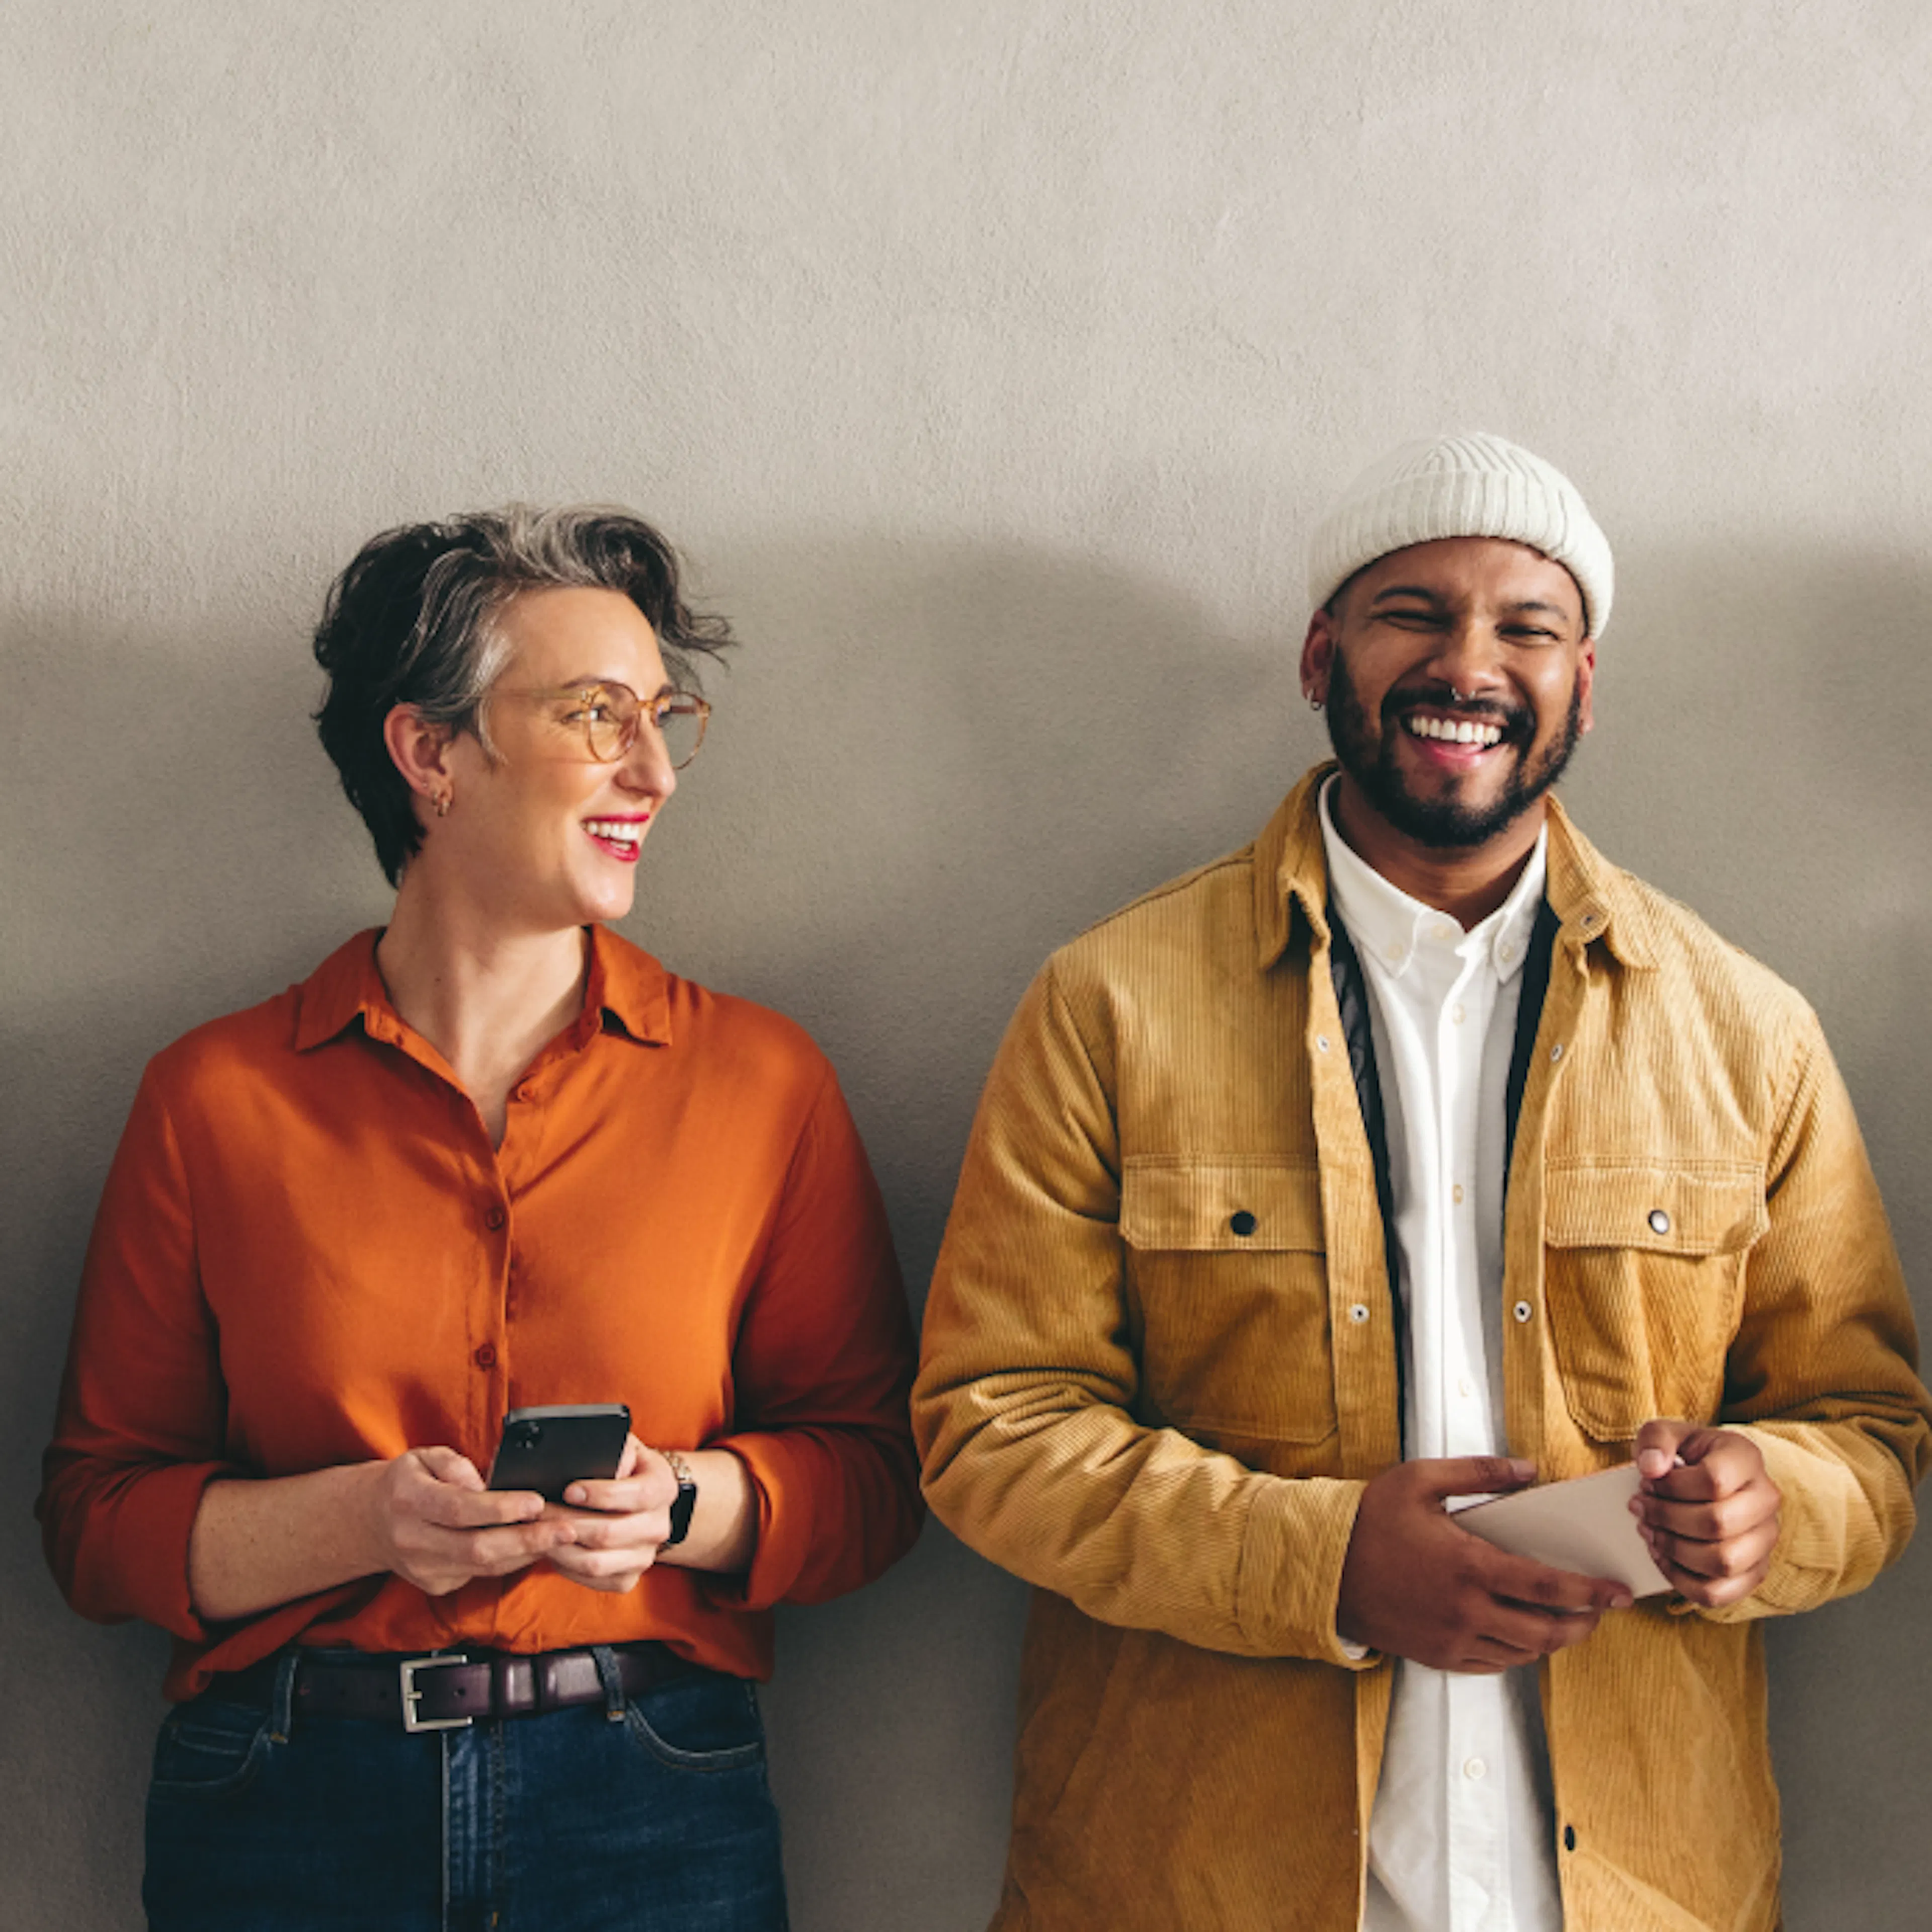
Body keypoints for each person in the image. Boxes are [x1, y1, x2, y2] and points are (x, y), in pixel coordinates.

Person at [912, 432, 1930, 1932]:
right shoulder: (1109, 1004)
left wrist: (1772, 1504)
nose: (1471, 663)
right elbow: (988, 1427)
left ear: (1586, 682)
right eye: (1413, 614)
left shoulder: (1747, 1031)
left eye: (1529, 626)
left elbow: (1873, 1430)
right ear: (1325, 649)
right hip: (1190, 1888)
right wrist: (1318, 1565)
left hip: (1644, 1891)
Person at [40, 506, 924, 1932]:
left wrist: (683, 1507)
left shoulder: (763, 1085)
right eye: (594, 715)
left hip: (652, 1796)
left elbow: (876, 1476)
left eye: (661, 718)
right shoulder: (210, 1099)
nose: (652, 773)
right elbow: (95, 1526)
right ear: (431, 754)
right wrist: (363, 1520)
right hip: (285, 1802)